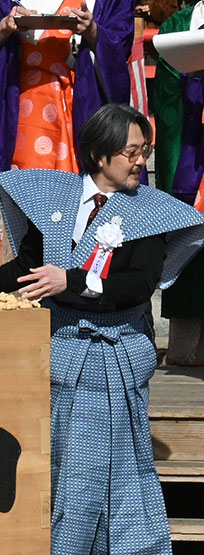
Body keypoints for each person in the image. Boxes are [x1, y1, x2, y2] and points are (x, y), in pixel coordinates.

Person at [0, 104, 204, 555]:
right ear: (99, 153)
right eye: (131, 152)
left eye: (144, 152)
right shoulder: (58, 198)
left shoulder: (150, 211)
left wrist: (71, 279)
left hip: (111, 359)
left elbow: (138, 286)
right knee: (55, 469)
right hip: (58, 358)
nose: (141, 161)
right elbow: (30, 266)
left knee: (107, 478)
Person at [0, 0, 135, 225]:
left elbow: (120, 42)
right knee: (21, 194)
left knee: (73, 198)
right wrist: (3, 27)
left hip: (78, 105)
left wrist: (93, 31)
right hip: (18, 108)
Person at [152, 0, 204, 364]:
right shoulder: (179, 23)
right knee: (189, 245)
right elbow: (166, 96)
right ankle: (188, 346)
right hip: (190, 146)